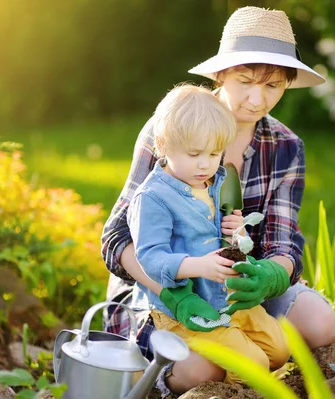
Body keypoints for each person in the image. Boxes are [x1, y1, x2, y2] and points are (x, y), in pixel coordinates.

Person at [101, 6, 335, 396]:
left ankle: (245, 357)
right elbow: (116, 237)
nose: (256, 99)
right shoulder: (173, 125)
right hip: (163, 291)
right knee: (201, 371)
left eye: (273, 86)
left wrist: (271, 276)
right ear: (220, 74)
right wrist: (176, 297)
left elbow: (283, 241)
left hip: (236, 290)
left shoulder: (286, 147)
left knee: (320, 324)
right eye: (245, 81)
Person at [127, 84, 291, 385]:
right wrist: (197, 265)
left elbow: (227, 239)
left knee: (279, 349)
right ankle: (232, 388)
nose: (205, 163)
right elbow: (150, 257)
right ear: (163, 145)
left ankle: (237, 358)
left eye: (214, 153)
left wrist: (236, 233)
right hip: (187, 308)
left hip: (226, 296)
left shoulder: (216, 182)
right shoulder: (153, 198)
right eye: (194, 153)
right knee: (253, 363)